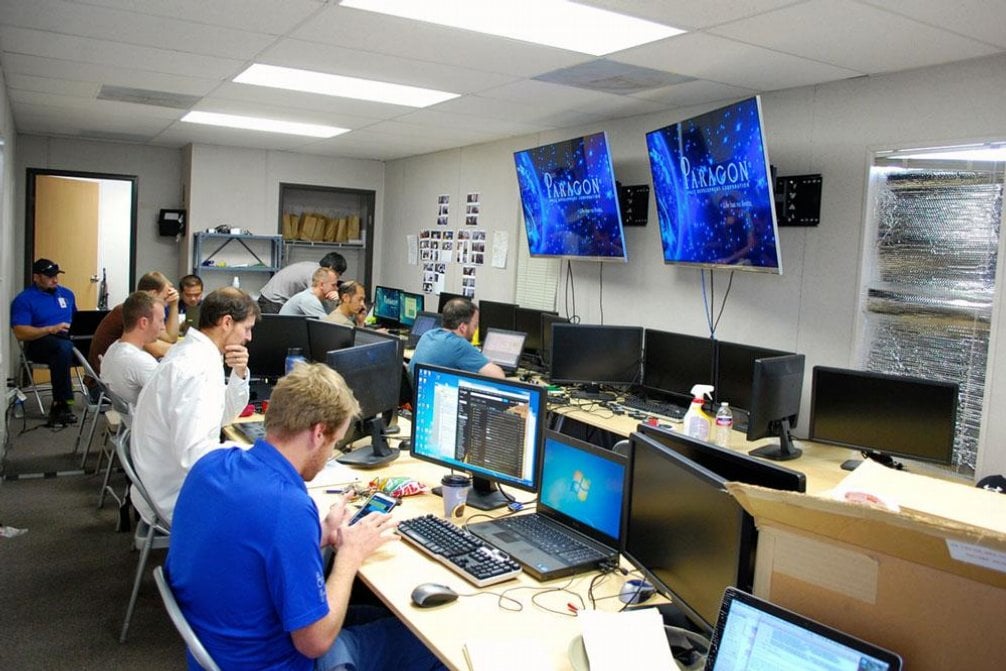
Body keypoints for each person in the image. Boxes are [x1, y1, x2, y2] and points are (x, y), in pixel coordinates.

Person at [166, 363, 444, 670]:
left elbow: (249, 544)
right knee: (436, 640)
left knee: (387, 617)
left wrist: (320, 534)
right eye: (334, 444)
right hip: (277, 661)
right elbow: (314, 643)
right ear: (318, 433)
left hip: (220, 647)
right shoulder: (287, 506)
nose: (329, 456)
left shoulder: (213, 464)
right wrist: (349, 557)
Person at [130, 287, 259, 525]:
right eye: (247, 328)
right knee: (272, 507)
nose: (249, 338)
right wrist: (251, 457)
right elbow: (194, 455)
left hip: (161, 478)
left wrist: (239, 374)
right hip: (173, 494)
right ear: (227, 322)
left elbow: (223, 414)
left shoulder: (194, 353)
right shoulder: (197, 368)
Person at [10, 258, 78, 425]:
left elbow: (77, 319)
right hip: (40, 342)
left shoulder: (67, 294)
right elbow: (20, 332)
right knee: (63, 348)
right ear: (36, 277)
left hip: (67, 339)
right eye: (49, 277)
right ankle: (61, 404)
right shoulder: (25, 299)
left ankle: (97, 391)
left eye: (56, 275)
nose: (55, 280)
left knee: (93, 343)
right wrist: (50, 329)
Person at [88, 271, 180, 376]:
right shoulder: (130, 312)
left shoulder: (132, 308)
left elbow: (170, 338)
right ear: (153, 294)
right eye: (165, 299)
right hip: (102, 384)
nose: (166, 303)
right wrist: (189, 349)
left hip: (113, 378)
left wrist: (174, 305)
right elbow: (159, 350)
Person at [408, 298, 504, 380]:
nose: (475, 330)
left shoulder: (428, 334)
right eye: (475, 325)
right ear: (462, 327)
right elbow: (499, 376)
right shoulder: (459, 345)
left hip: (417, 396)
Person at [99, 291, 164, 409]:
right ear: (144, 323)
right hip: (149, 423)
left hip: (130, 420)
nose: (163, 327)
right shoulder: (140, 361)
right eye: (160, 321)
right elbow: (173, 399)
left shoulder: (114, 348)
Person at [258, 252, 347, 314]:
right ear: (331, 268)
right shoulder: (315, 273)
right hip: (273, 301)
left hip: (271, 298)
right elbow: (315, 298)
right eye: (339, 273)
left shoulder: (314, 267)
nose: (338, 277)